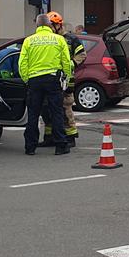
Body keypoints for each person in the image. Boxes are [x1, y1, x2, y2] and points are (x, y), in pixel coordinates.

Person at [19, 14, 73, 155]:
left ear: (37, 26)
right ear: (50, 25)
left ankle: (30, 147)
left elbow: (22, 64)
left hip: (34, 81)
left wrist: (27, 80)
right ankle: (60, 146)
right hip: (53, 80)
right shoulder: (59, 40)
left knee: (33, 114)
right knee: (57, 113)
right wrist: (66, 79)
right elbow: (66, 62)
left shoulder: (29, 41)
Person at [39, 12, 86, 148]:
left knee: (65, 109)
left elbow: (82, 54)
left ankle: (70, 136)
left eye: (51, 25)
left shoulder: (70, 39)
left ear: (58, 25)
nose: (49, 27)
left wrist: (70, 64)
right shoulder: (49, 39)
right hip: (51, 79)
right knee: (47, 109)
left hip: (66, 80)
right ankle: (49, 137)